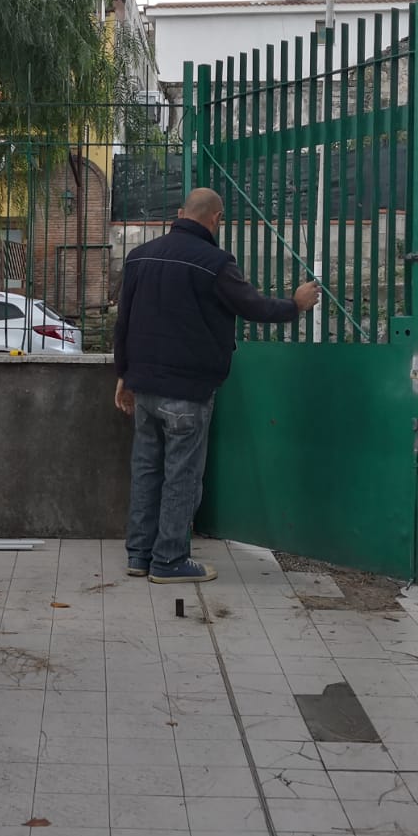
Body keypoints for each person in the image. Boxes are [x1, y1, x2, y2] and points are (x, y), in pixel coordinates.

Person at [112, 188, 321, 584]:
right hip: (187, 391)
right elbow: (253, 306)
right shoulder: (215, 262)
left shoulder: (139, 257)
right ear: (216, 219)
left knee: (145, 471)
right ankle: (169, 560)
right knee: (181, 476)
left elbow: (124, 323)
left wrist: (124, 376)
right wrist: (295, 305)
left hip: (145, 389)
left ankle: (139, 555)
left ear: (179, 214)